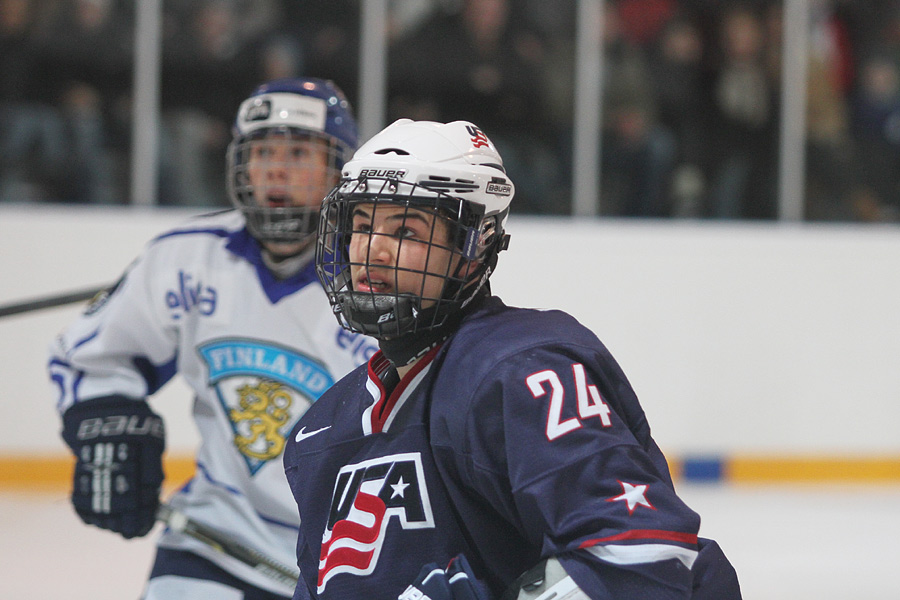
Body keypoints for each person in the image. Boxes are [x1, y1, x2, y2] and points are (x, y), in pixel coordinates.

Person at [283, 119, 742, 599]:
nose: (372, 250)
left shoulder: (523, 370)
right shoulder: (320, 433)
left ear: (470, 249)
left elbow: (640, 555)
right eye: (361, 225)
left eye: (406, 231)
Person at [48, 77, 377, 600]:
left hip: (349, 556)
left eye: (297, 152)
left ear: (338, 170)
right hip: (216, 538)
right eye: (262, 151)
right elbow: (92, 358)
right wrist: (106, 428)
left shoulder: (380, 278)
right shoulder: (187, 259)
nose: (275, 167)